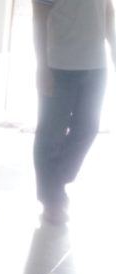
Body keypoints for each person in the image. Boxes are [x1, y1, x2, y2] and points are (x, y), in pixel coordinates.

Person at [32, 0, 116, 224]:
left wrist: (114, 48)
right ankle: (51, 201)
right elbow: (39, 18)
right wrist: (41, 66)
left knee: (88, 128)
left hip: (96, 66)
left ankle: (55, 182)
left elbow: (108, 10)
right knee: (50, 134)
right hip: (59, 66)